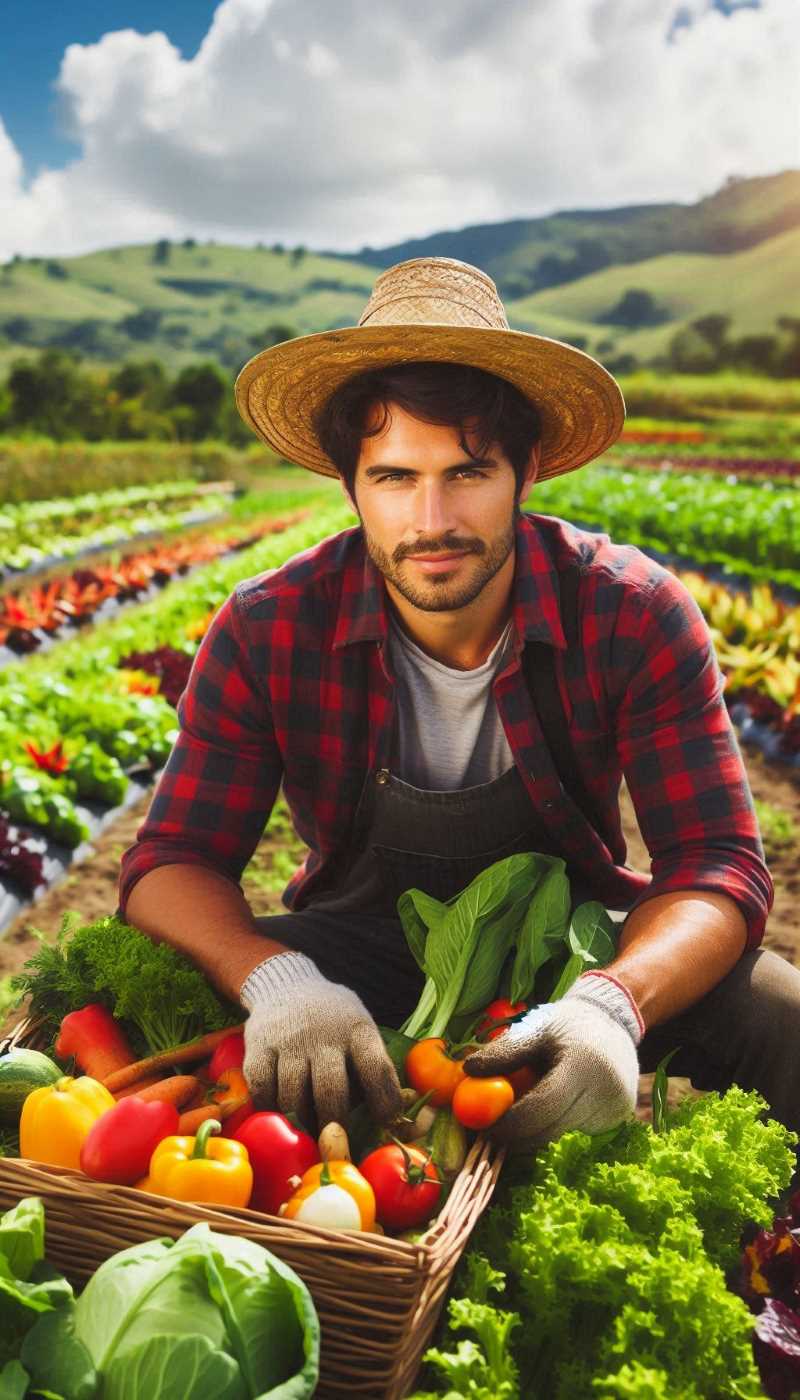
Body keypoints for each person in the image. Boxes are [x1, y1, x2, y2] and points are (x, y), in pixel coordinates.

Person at [118, 255, 800, 1153]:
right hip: (358, 950)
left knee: (781, 1013)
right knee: (129, 1000)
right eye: (395, 477)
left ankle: (776, 1268)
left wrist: (613, 1004)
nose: (431, 518)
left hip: (574, 952)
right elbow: (174, 859)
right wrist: (278, 979)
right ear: (350, 484)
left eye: (468, 471)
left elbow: (717, 862)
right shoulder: (267, 628)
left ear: (528, 470)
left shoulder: (629, 612)